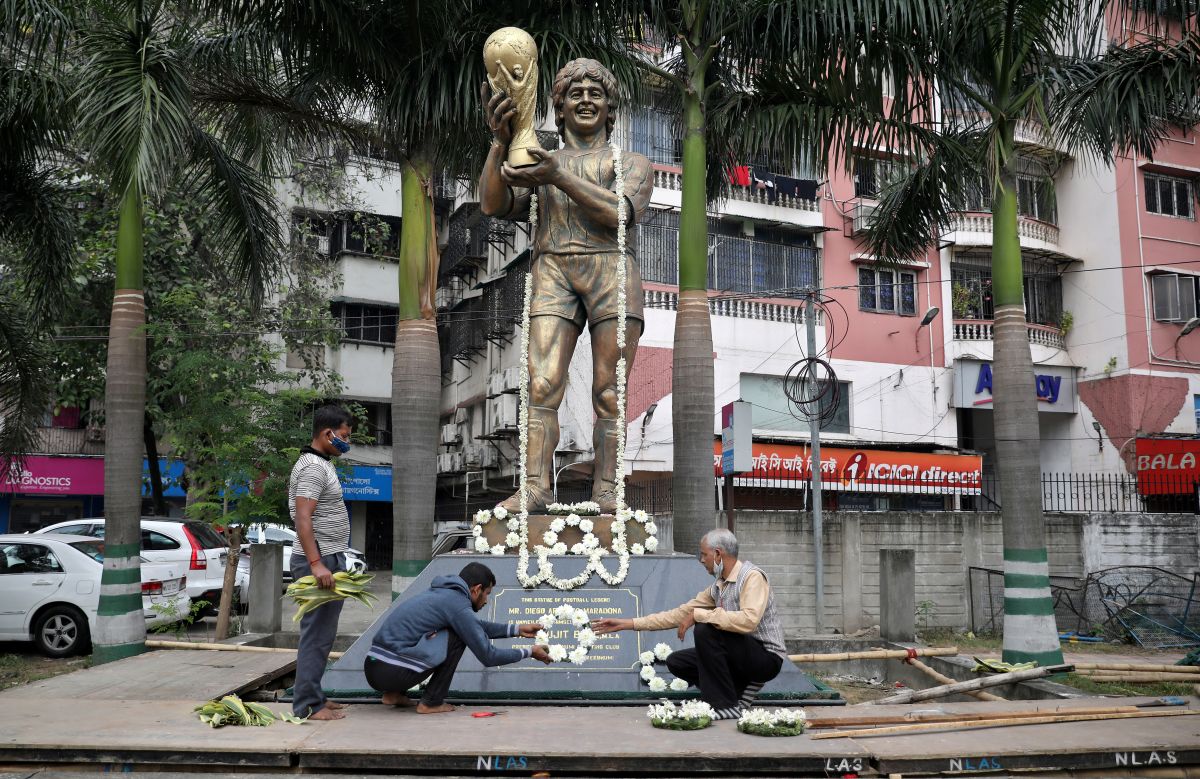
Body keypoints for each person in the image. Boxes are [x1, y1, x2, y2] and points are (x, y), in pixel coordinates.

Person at [479, 58, 654, 514]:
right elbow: (493, 203)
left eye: (595, 94)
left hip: (611, 270)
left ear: (610, 108)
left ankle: (608, 491)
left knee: (609, 389)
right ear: (558, 107)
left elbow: (619, 213)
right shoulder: (537, 160)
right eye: (574, 94)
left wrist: (555, 175)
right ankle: (535, 487)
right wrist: (500, 144)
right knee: (542, 383)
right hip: (553, 268)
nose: (585, 100)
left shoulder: (632, 162)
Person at [592, 529, 787, 719]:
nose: (701, 560)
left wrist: (701, 615)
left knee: (705, 628)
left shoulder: (752, 577)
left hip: (766, 658)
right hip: (741, 655)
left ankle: (725, 705)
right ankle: (739, 691)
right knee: (677, 662)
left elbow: (749, 621)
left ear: (718, 554)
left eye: (704, 554)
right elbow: (679, 614)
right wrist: (627, 623)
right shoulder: (719, 586)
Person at [365, 562, 552, 713]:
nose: (486, 601)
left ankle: (393, 695)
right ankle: (431, 702)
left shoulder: (444, 594)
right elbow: (488, 656)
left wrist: (516, 629)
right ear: (476, 589)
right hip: (394, 671)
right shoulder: (457, 604)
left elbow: (473, 626)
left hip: (374, 668)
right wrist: (529, 652)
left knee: (455, 631)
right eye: (487, 594)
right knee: (457, 636)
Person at [289, 404, 356, 720]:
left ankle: (314, 694)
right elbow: (304, 518)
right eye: (343, 436)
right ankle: (306, 706)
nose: (346, 442)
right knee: (315, 635)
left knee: (323, 635)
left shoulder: (321, 464)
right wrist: (317, 564)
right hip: (318, 560)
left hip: (329, 556)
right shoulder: (313, 468)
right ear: (327, 433)